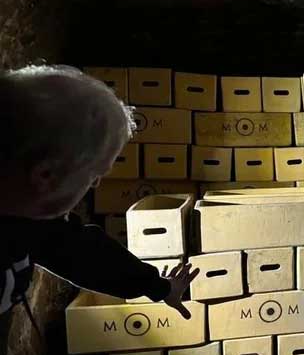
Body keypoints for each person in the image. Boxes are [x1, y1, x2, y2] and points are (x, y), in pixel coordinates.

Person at [0, 65, 199, 323]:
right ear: (45, 175)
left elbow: (78, 251)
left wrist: (160, 288)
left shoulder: (24, 212)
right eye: (93, 175)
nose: (94, 186)